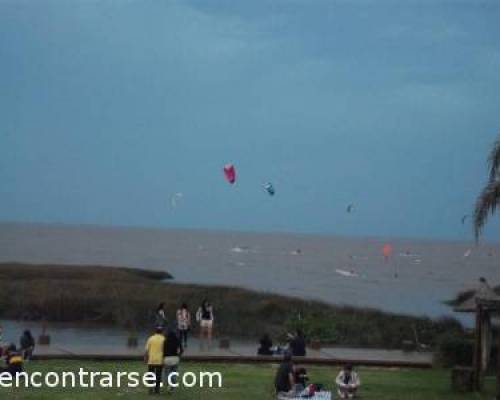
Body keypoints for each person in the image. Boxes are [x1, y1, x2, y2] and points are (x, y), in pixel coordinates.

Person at [144, 326, 166, 395]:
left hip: (151, 360)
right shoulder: (164, 339)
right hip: (160, 360)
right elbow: (165, 350)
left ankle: (150, 389)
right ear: (162, 332)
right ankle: (157, 390)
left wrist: (145, 358)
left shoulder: (151, 338)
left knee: (150, 374)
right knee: (158, 375)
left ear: (155, 331)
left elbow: (147, 350)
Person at [164, 323, 183, 392]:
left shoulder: (165, 341)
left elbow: (163, 350)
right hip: (175, 358)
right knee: (174, 372)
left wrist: (164, 356)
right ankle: (173, 385)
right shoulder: (177, 340)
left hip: (167, 359)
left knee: (167, 373)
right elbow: (181, 350)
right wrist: (179, 356)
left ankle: (169, 384)